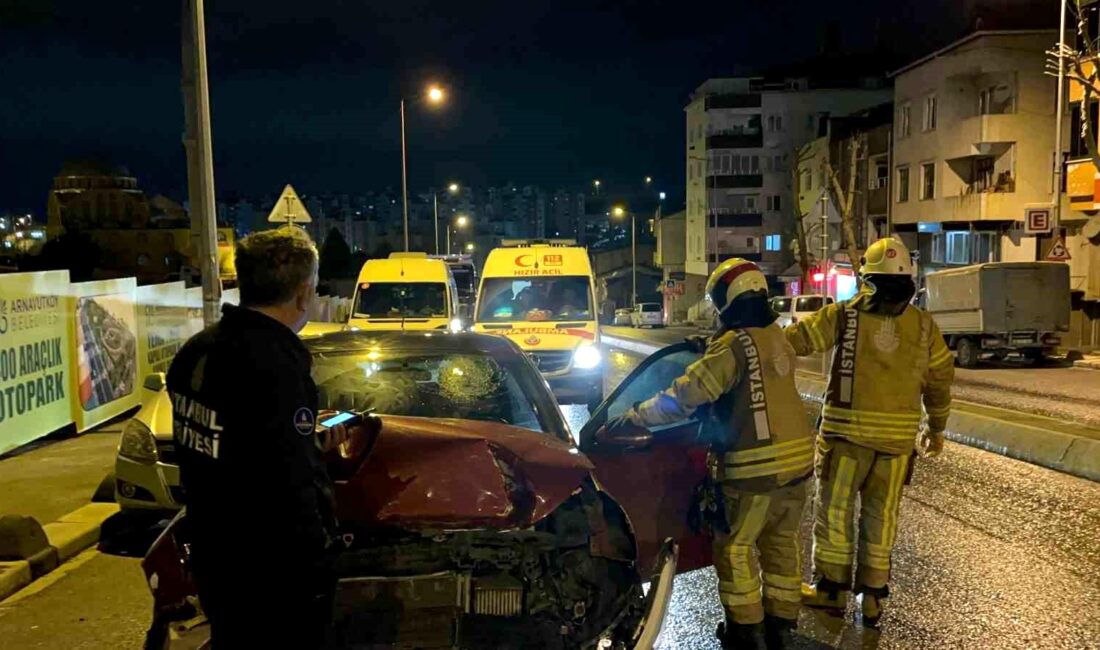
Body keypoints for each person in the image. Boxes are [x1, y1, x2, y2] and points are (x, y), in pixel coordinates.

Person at [601, 258, 814, 649]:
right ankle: (781, 628)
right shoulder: (775, 335)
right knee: (781, 545)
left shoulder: (733, 346)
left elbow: (685, 397)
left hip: (754, 472)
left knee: (734, 550)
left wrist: (636, 417)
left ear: (726, 300)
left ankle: (746, 633)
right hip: (799, 467)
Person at [167, 227, 348, 649]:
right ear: (305, 294)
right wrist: (320, 562)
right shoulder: (276, 363)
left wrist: (310, 443)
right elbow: (291, 481)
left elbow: (237, 447)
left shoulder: (199, 351)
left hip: (217, 556)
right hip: (273, 571)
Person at [785, 237, 954, 627]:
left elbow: (797, 340)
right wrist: (937, 427)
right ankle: (873, 597)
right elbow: (941, 378)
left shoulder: (844, 316)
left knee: (835, 514)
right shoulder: (925, 326)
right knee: (881, 518)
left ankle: (831, 591)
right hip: (896, 448)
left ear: (868, 280)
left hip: (846, 441)